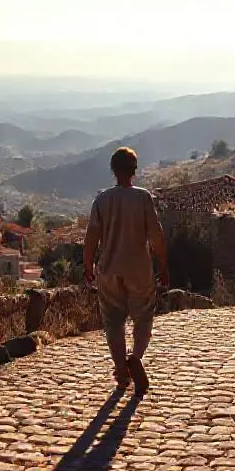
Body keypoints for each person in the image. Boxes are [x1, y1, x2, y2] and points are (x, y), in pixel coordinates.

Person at [83, 146, 170, 392]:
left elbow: (91, 238)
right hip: (139, 269)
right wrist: (164, 266)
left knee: (113, 321)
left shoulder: (101, 200)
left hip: (109, 270)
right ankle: (136, 357)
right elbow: (156, 237)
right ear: (135, 170)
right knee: (144, 317)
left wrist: (88, 266)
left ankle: (121, 370)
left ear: (113, 170)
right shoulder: (143, 198)